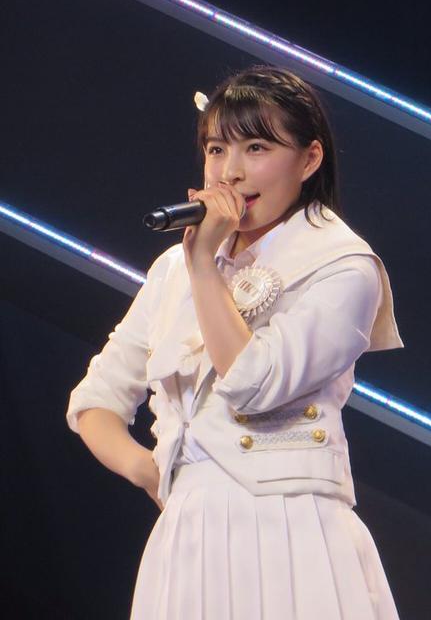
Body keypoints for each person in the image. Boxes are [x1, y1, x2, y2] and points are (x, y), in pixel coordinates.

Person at [67, 65, 403, 619]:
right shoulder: (172, 269)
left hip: (290, 529)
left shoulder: (344, 267)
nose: (231, 172)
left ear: (309, 160)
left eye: (256, 148)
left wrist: (204, 265)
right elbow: (95, 400)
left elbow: (252, 383)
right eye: (217, 150)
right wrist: (151, 470)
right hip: (187, 537)